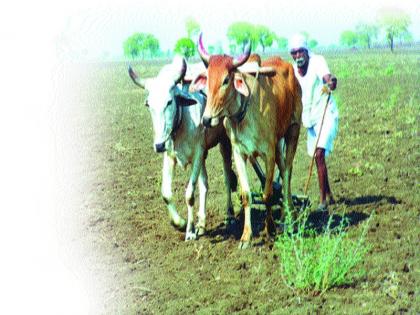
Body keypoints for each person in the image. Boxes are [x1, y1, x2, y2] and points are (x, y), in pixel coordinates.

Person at [289, 34, 339, 212]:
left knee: (319, 155)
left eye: (300, 52)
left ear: (306, 50)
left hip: (325, 114)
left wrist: (330, 82)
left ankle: (323, 201)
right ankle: (329, 194)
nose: (297, 56)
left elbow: (327, 78)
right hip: (308, 120)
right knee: (318, 158)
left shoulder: (317, 61)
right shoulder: (292, 71)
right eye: (293, 53)